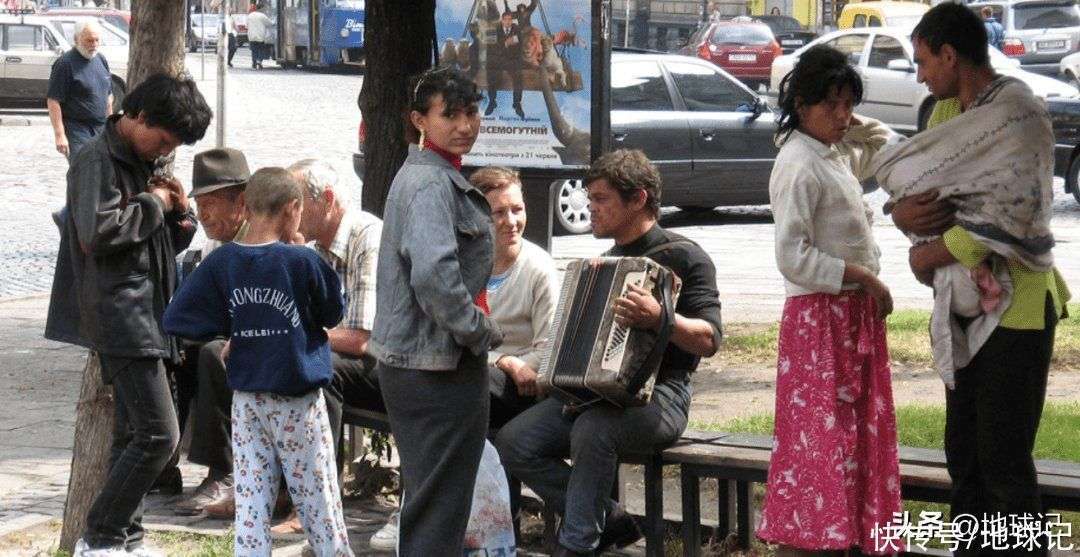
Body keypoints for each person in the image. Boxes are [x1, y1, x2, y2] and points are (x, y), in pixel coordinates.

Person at [889, 5, 1069, 554]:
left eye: (922, 61)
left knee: (1003, 461)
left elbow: (1019, 214)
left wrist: (932, 253)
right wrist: (902, 218)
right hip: (961, 309)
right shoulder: (946, 114)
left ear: (950, 54)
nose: (919, 74)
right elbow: (924, 191)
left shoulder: (1020, 115)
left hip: (1018, 308)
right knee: (962, 453)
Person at [495, 149, 723, 557]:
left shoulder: (685, 256)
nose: (590, 209)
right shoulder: (603, 263)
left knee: (593, 429)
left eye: (600, 199)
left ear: (638, 199)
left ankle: (577, 544)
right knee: (515, 441)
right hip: (592, 397)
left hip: (663, 397)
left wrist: (661, 318)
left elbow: (709, 340)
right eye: (590, 198)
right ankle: (612, 519)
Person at [44, 73, 212, 556]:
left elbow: (155, 243)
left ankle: (126, 539)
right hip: (121, 312)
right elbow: (97, 235)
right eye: (163, 139)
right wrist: (153, 202)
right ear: (137, 117)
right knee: (161, 435)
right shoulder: (96, 159)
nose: (164, 151)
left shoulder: (139, 160)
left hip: (148, 309)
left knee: (134, 435)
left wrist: (179, 214)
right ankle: (99, 537)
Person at [754, 45, 901, 555]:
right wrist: (862, 276)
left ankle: (852, 535)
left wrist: (853, 122)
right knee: (821, 441)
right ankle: (816, 541)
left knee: (855, 435)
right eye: (831, 105)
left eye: (848, 105)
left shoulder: (831, 151)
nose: (842, 116)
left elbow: (886, 146)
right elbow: (793, 256)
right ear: (802, 104)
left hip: (849, 315)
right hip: (820, 322)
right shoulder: (796, 163)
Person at [163, 167, 354, 557]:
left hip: (248, 400)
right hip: (297, 400)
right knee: (318, 500)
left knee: (251, 503)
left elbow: (177, 318)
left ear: (246, 207)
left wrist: (233, 327)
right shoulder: (301, 261)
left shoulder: (222, 261)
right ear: (293, 209)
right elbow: (333, 311)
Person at [366, 165, 557, 552]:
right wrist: (499, 359)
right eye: (499, 213)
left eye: (517, 210)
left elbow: (548, 346)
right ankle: (425, 512)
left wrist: (507, 362)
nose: (511, 221)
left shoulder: (537, 268)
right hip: (483, 367)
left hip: (520, 382)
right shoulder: (469, 262)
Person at [369, 66, 503, 555]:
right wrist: (478, 331)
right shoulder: (430, 183)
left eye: (472, 112)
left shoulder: (434, 175)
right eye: (451, 114)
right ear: (419, 120)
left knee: (434, 501)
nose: (465, 124)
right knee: (440, 504)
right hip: (436, 367)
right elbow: (434, 277)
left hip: (424, 363)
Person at [261, 158, 382, 535]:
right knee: (268, 360)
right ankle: (273, 490)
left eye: (297, 202)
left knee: (315, 371)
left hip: (385, 364)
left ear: (326, 199)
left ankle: (312, 505)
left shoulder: (367, 237)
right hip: (339, 355)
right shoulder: (315, 248)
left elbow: (362, 339)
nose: (290, 212)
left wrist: (295, 336)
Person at [170, 148, 253, 517]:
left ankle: (225, 470)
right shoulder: (214, 244)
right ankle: (162, 463)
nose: (204, 214)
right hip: (231, 335)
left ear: (242, 202)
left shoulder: (264, 239)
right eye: (199, 204)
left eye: (212, 203)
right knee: (175, 349)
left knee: (211, 354)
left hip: (265, 341)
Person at [47, 19, 113, 160]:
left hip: (100, 128)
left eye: (97, 40)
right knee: (83, 171)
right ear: (77, 39)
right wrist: (60, 135)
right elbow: (53, 101)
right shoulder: (65, 64)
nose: (94, 45)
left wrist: (110, 126)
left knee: (103, 171)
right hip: (76, 129)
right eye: (89, 40)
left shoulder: (101, 59)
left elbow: (108, 95)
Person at [486, 10, 525, 119]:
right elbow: (491, 48)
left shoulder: (516, 29)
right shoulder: (493, 29)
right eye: (505, 20)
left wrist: (511, 44)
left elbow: (520, 44)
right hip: (498, 59)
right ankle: (492, 102)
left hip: (512, 60)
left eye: (510, 20)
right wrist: (506, 43)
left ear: (512, 21)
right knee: (492, 73)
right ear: (502, 20)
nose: (508, 22)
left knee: (518, 75)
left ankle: (517, 104)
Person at [247, 3, 271, 70]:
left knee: (254, 50)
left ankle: (254, 65)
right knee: (261, 50)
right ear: (262, 9)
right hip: (260, 35)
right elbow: (269, 23)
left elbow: (247, 25)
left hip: (251, 36)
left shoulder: (250, 15)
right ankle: (259, 61)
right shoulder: (262, 16)